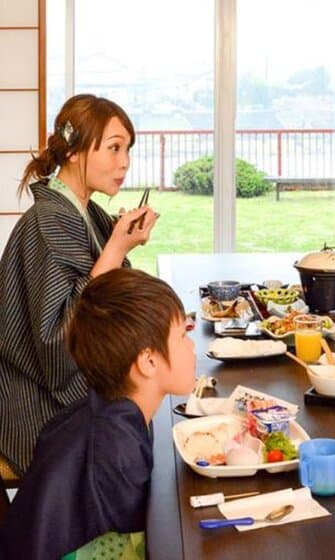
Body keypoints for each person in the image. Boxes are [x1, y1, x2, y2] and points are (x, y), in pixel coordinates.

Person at [0, 94, 158, 476]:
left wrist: (121, 244)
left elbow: (111, 291)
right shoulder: (48, 220)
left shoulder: (85, 211)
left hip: (56, 389)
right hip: (37, 404)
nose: (125, 162)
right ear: (73, 152)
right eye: (114, 148)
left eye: (128, 150)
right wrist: (116, 248)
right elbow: (58, 341)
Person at [0, 268, 195, 559]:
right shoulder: (116, 448)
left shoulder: (105, 411)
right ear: (148, 361)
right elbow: (143, 546)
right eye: (182, 335)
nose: (192, 347)